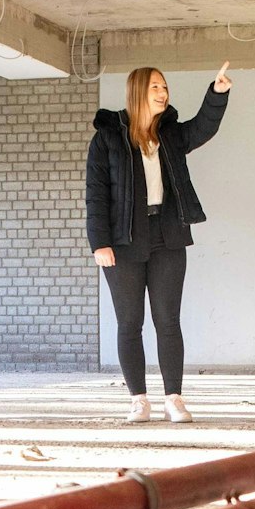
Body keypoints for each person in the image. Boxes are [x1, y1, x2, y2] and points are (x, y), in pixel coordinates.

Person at [87, 62, 233, 423]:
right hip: (123, 242)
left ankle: (174, 399)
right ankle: (138, 399)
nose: (163, 92)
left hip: (167, 235)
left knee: (168, 320)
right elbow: (96, 195)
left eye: (164, 86)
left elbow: (202, 128)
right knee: (129, 322)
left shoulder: (169, 134)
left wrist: (216, 94)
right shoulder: (108, 137)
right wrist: (99, 243)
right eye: (155, 86)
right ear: (138, 91)